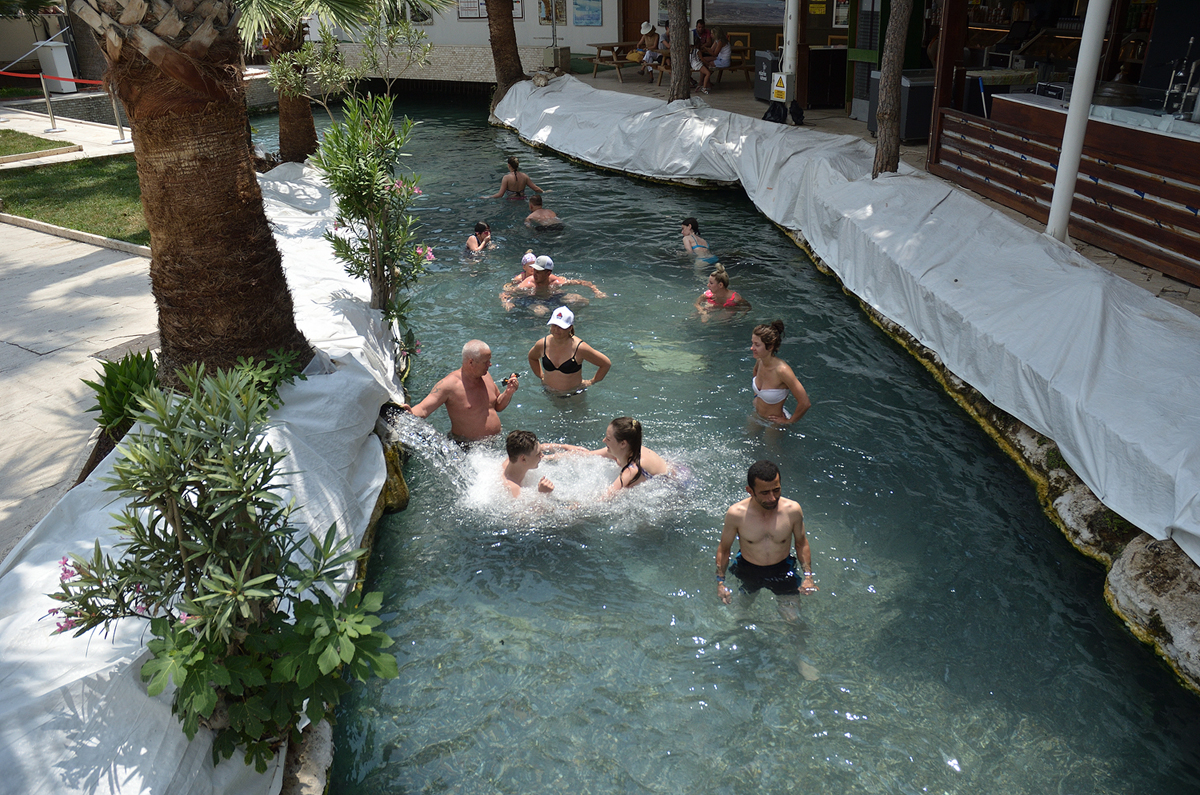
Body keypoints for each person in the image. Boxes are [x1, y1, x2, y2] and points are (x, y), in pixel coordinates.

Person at [716, 460, 817, 622]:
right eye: (764, 493)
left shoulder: (792, 510)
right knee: (738, 615)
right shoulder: (736, 514)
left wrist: (808, 576)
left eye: (776, 490)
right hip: (748, 568)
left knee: (794, 620)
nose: (772, 498)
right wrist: (720, 582)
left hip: (782, 569)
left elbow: (801, 543)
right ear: (750, 491)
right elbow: (724, 548)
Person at [400, 339, 519, 444]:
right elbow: (424, 409)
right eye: (486, 362)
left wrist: (508, 392)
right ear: (471, 362)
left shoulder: (486, 376)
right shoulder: (450, 385)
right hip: (467, 447)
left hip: (494, 443)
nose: (490, 364)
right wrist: (409, 413)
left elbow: (497, 406)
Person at [555, 417, 670, 496]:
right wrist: (549, 456)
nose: (603, 440)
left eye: (608, 439)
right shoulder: (623, 450)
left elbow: (605, 498)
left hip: (671, 482)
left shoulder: (632, 470)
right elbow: (585, 455)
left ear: (623, 444)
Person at [527, 306, 612, 393]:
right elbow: (532, 357)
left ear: (570, 328)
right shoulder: (542, 344)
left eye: (561, 327)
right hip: (548, 392)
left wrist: (592, 381)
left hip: (573, 395)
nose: (556, 330)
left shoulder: (580, 348)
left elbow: (605, 364)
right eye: (554, 325)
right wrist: (541, 376)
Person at [500, 255, 607, 314]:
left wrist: (597, 291)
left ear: (548, 273)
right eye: (534, 270)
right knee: (541, 312)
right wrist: (506, 303)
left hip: (551, 298)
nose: (535, 274)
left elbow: (581, 282)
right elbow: (505, 293)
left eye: (539, 272)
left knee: (582, 301)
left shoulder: (556, 281)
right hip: (532, 299)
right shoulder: (528, 284)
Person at [750, 320, 811, 423]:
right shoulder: (760, 360)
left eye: (757, 345)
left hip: (774, 422)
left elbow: (805, 403)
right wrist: (756, 395)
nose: (752, 348)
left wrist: (788, 422)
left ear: (770, 347)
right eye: (752, 343)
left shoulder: (782, 371)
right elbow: (755, 371)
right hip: (757, 414)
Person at [501, 430, 554, 497]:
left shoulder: (513, 457)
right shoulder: (513, 491)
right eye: (538, 454)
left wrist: (564, 447)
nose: (542, 455)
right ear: (523, 459)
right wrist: (542, 494)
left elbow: (541, 446)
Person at [696, 27, 731, 95]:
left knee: (707, 64)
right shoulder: (717, 41)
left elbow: (714, 53)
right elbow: (711, 49)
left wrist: (706, 49)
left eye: (712, 33)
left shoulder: (721, 42)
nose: (711, 35)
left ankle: (704, 83)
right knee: (703, 60)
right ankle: (705, 81)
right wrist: (703, 50)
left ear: (716, 34)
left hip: (723, 61)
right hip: (719, 58)